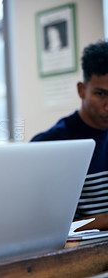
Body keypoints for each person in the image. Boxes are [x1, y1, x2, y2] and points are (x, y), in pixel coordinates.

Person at [31, 40, 108, 228]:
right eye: (100, 94)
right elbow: (41, 225)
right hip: (82, 253)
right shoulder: (50, 144)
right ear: (82, 90)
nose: (107, 106)